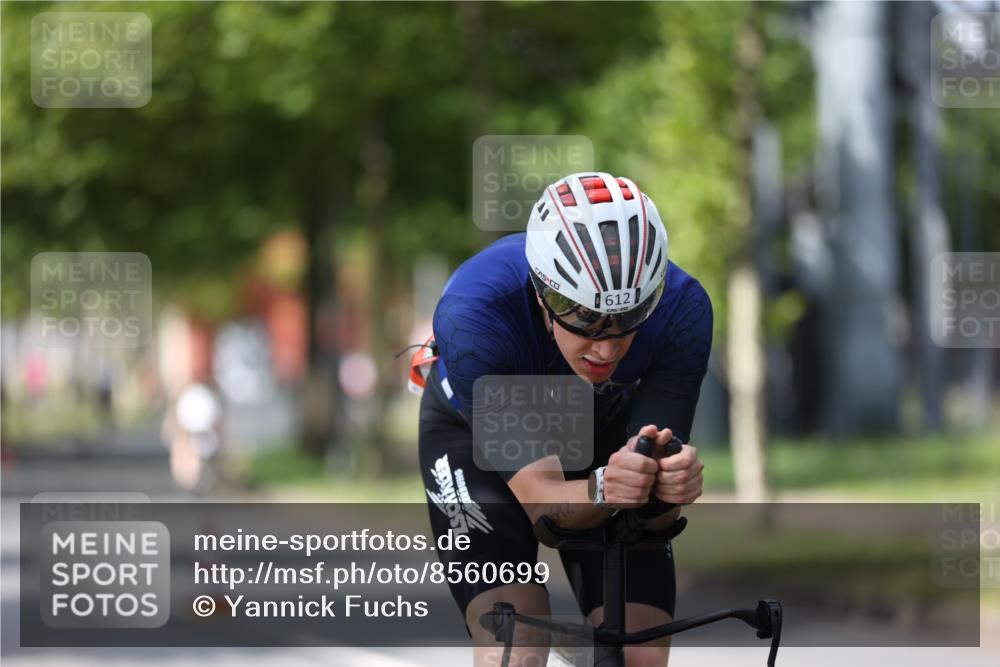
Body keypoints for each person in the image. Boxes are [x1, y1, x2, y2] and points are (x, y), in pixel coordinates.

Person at [413, 172, 712, 667]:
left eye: (629, 319)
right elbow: (549, 516)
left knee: (639, 656)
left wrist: (668, 490)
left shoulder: (683, 310)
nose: (606, 349)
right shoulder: (474, 314)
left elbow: (652, 521)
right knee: (515, 644)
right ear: (542, 294)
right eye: (585, 318)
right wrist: (603, 487)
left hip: (600, 424)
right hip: (474, 437)